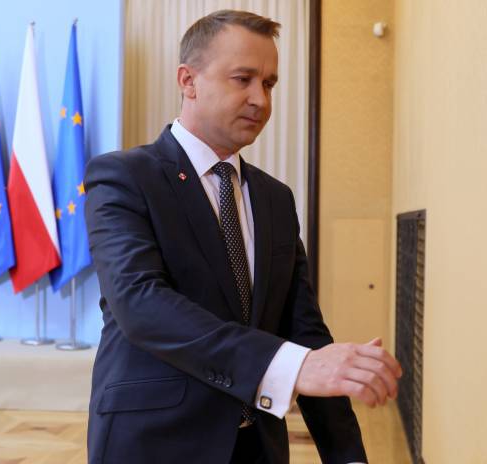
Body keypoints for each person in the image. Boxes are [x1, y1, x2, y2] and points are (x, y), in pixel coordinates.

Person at [84, 10, 402, 464]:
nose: (260, 99)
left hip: (259, 448)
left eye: (269, 84)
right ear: (188, 81)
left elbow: (304, 330)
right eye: (243, 79)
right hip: (154, 443)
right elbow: (141, 304)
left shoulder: (275, 198)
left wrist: (347, 456)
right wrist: (292, 366)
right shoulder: (123, 176)